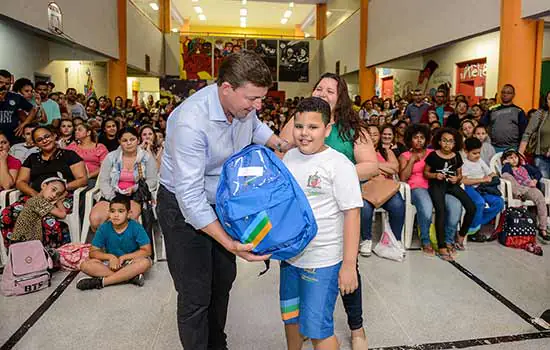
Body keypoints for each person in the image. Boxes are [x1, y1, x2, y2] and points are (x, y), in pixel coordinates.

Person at [157, 51, 291, 350]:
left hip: (222, 200)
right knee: (195, 292)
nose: (258, 106)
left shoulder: (244, 109)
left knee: (222, 280)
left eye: (260, 99)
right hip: (181, 207)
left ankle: (217, 344)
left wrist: (280, 144)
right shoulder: (190, 122)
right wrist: (228, 242)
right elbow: (189, 197)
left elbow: (256, 127)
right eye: (252, 99)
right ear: (226, 88)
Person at [279, 73, 377, 349]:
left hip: (323, 255)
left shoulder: (340, 161)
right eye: (299, 126)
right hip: (291, 254)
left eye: (312, 127)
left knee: (319, 326)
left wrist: (348, 265)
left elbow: (352, 214)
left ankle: (357, 329)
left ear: (328, 128)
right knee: (291, 318)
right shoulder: (292, 156)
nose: (304, 132)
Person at [1, 126, 87, 249]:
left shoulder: (69, 155)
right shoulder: (32, 158)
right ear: (36, 144)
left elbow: (83, 179)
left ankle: (49, 254)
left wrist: (60, 190)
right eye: (40, 140)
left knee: (45, 218)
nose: (44, 140)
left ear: (54, 136)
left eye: (47, 137)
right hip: (35, 196)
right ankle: (17, 252)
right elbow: (20, 182)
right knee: (7, 214)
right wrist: (36, 194)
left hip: (62, 198)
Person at [76, 195, 152, 290]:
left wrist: (124, 257)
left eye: (120, 211)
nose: (116, 215)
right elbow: (93, 252)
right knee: (85, 265)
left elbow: (147, 251)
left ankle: (103, 282)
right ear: (109, 213)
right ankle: (129, 277)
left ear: (128, 214)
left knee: (145, 263)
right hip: (111, 263)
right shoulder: (104, 228)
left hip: (130, 262)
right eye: (112, 211)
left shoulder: (136, 227)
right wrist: (110, 257)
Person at [89, 127, 157, 231]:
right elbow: (103, 181)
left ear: (138, 140)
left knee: (125, 220)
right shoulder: (111, 157)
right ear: (119, 142)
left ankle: (120, 245)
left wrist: (134, 188)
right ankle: (106, 242)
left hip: (135, 197)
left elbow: (152, 181)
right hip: (112, 195)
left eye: (132, 139)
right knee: (95, 219)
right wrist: (113, 197)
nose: (129, 143)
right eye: (125, 140)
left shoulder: (146, 157)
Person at [424, 128, 476, 261]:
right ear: (439, 142)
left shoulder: (456, 156)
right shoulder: (433, 156)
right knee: (441, 211)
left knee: (471, 207)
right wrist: (436, 175)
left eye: (450, 141)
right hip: (437, 185)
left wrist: (457, 179)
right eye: (444, 141)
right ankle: (442, 246)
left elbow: (460, 175)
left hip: (451, 184)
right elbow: (426, 173)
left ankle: (461, 235)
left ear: (455, 143)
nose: (447, 144)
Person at [361, 125, 406, 255]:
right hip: (366, 186)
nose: (372, 137)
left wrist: (373, 166)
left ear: (379, 136)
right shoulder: (358, 151)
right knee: (364, 207)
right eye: (369, 134)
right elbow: (358, 169)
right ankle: (366, 239)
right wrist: (383, 168)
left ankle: (395, 240)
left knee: (398, 205)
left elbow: (395, 168)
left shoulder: (386, 151)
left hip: (384, 187)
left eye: (375, 134)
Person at [500, 149, 549, 241]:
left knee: (540, 199)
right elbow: (504, 174)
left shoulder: (525, 166)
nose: (514, 160)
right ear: (505, 160)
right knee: (506, 176)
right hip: (516, 191)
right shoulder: (507, 168)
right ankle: (520, 194)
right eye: (510, 158)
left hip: (529, 189)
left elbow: (538, 173)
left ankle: (543, 229)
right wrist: (506, 164)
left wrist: (535, 180)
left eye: (515, 157)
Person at [462, 137, 504, 237]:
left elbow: (490, 173)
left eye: (479, 153)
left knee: (499, 202)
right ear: (466, 151)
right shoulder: (464, 163)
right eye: (474, 153)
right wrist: (482, 179)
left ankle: (475, 224)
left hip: (483, 188)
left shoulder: (480, 161)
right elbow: (464, 181)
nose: (477, 156)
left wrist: (493, 177)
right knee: (479, 203)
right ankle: (474, 231)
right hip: (470, 188)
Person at [8, 177, 67, 245]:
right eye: (53, 190)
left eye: (58, 194)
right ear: (43, 186)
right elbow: (62, 214)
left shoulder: (37, 200)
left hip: (28, 241)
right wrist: (59, 200)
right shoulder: (38, 202)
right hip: (23, 242)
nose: (54, 195)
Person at [481, 84, 528, 152]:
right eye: (503, 92)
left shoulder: (518, 111)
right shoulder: (492, 109)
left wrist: (521, 150)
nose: (505, 94)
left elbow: (524, 131)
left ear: (513, 95)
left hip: (513, 148)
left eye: (509, 93)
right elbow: (482, 125)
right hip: (494, 147)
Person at [519, 91, 550, 178]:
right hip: (542, 158)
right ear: (546, 101)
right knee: (544, 187)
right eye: (549, 99)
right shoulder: (540, 114)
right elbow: (527, 134)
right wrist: (520, 153)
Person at [0, 69, 36, 144]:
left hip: (13, 137)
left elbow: (32, 109)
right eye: (0, 83)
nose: (4, 86)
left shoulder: (15, 97)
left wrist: (24, 124)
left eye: (7, 83)